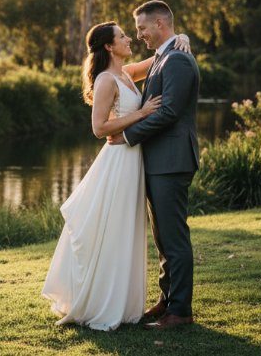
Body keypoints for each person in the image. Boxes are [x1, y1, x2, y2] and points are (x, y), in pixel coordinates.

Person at [41, 19, 190, 331]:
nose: (130, 39)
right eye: (123, 36)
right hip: (118, 159)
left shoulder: (126, 71)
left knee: (126, 231)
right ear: (109, 46)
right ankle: (100, 300)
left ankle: (125, 302)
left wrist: (182, 36)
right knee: (111, 229)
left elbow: (161, 55)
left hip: (133, 159)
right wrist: (141, 113)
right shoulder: (106, 79)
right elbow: (99, 129)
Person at [110, 0, 200, 330]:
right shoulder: (164, 56)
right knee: (163, 237)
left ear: (160, 23)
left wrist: (127, 135)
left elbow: (169, 113)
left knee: (174, 238)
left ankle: (181, 312)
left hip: (172, 161)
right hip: (159, 161)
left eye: (142, 28)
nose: (139, 35)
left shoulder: (176, 60)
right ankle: (167, 299)